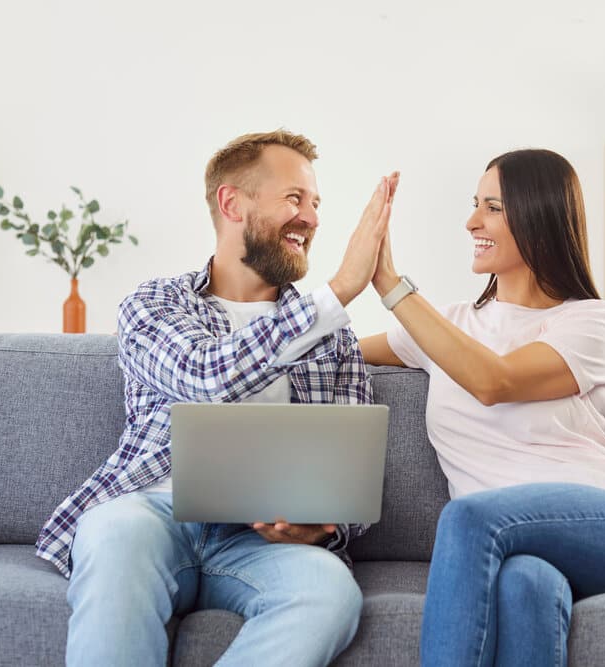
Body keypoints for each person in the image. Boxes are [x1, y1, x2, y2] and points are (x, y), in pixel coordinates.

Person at [35, 129, 398, 666]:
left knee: (328, 591)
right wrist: (340, 289)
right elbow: (207, 378)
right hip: (153, 512)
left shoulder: (334, 337)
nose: (313, 219)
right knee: (113, 535)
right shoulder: (155, 303)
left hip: (260, 545)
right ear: (232, 203)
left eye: (316, 204)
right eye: (294, 199)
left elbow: (354, 477)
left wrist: (322, 525)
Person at [360, 149, 605, 666]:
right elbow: (332, 354)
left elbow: (493, 380)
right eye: (475, 204)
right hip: (511, 545)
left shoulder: (594, 322)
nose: (471, 221)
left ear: (540, 217)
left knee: (468, 517)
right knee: (527, 583)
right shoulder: (449, 327)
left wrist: (391, 285)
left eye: (493, 208)